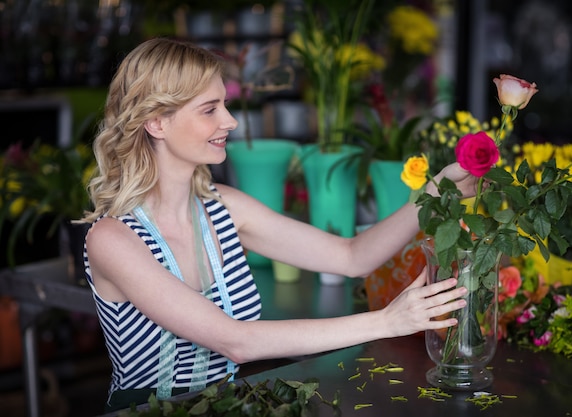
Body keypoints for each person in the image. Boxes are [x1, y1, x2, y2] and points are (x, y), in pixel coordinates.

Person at [82, 37, 477, 412]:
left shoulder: (224, 208)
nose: (231, 121)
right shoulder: (113, 238)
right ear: (156, 123)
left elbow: (350, 257)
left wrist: (438, 187)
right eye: (210, 109)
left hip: (225, 407)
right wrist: (386, 321)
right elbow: (235, 342)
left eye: (225, 105)